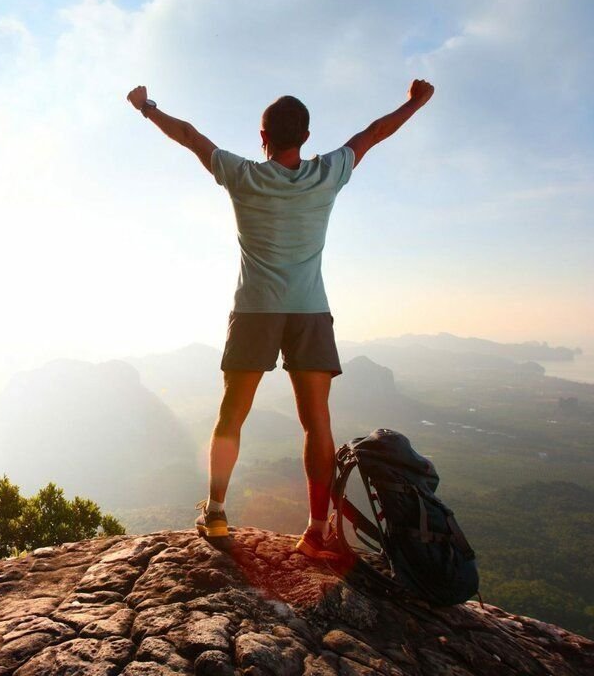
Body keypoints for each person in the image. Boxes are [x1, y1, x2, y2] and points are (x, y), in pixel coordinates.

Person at [125, 79, 434, 558]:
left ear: (262, 136)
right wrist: (415, 102)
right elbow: (374, 132)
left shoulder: (242, 175)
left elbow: (188, 135)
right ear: (306, 137)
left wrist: (146, 106)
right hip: (310, 310)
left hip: (255, 310)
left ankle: (216, 513)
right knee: (316, 422)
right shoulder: (328, 173)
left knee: (232, 413)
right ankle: (316, 532)